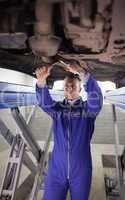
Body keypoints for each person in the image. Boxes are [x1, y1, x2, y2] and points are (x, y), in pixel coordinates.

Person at [35, 62, 103, 200]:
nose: (70, 88)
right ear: (63, 90)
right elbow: (44, 102)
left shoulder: (87, 111)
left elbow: (96, 100)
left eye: (73, 86)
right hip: (56, 170)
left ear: (80, 89)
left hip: (81, 170)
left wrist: (82, 73)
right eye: (67, 86)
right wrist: (41, 81)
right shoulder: (57, 110)